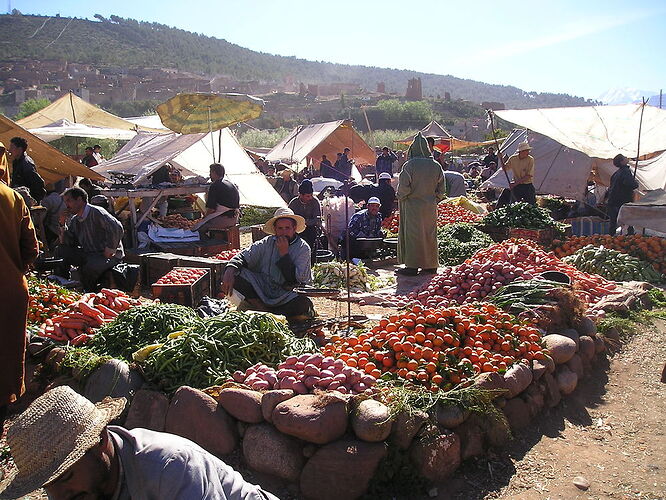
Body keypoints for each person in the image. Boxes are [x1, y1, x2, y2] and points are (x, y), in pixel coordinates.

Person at [0, 386, 278, 500]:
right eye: (48, 485)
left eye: (67, 476)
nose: (59, 496)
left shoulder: (171, 466)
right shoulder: (84, 489)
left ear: (98, 442)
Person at [221, 208, 314, 320]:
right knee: (235, 273)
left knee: (302, 303)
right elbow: (243, 256)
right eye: (280, 228)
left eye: (287, 228)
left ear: (294, 229)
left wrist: (284, 254)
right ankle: (263, 310)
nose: (284, 232)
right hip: (264, 289)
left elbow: (296, 280)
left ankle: (275, 313)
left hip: (288, 294)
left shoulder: (302, 248)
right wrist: (230, 271)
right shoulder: (267, 242)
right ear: (275, 229)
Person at [0, 176, 38, 436]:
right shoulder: (12, 197)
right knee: (5, 354)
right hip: (8, 291)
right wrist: (15, 270)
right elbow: (31, 249)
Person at [55, 187, 124, 291]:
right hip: (89, 253)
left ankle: (89, 292)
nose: (67, 205)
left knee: (90, 266)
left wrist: (111, 248)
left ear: (79, 199)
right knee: (60, 250)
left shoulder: (97, 212)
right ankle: (62, 284)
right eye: (65, 202)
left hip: (108, 256)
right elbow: (67, 242)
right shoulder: (75, 220)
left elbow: (117, 227)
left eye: (69, 201)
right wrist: (62, 223)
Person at [397, 132, 446, 276]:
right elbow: (442, 189)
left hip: (413, 206)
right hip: (430, 207)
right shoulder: (436, 166)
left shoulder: (410, 165)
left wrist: (400, 197)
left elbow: (404, 188)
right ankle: (430, 265)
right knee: (429, 234)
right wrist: (434, 199)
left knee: (413, 235)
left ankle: (412, 266)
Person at [195, 163, 240, 239]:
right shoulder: (230, 183)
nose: (210, 175)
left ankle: (207, 248)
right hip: (234, 218)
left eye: (210, 173)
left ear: (214, 172)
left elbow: (211, 209)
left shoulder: (215, 185)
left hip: (223, 219)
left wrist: (202, 219)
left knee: (198, 229)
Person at [606, 154, 639, 235]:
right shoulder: (625, 171)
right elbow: (631, 184)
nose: (627, 157)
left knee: (613, 223)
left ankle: (610, 239)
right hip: (622, 201)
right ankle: (630, 238)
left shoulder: (616, 173)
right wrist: (635, 183)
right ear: (622, 161)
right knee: (629, 222)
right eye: (624, 157)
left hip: (613, 201)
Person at [288, 179, 322, 256]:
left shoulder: (315, 202)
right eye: (307, 196)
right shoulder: (293, 203)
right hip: (296, 229)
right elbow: (289, 217)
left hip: (310, 228)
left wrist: (306, 222)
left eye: (311, 195)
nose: (310, 198)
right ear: (301, 195)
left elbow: (317, 219)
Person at [8, 137, 45, 203]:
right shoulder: (16, 161)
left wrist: (33, 201)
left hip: (26, 200)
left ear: (19, 149)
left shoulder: (26, 164)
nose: (9, 150)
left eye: (12, 147)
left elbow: (38, 184)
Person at [500, 141, 536, 206]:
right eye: (527, 151)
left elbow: (528, 175)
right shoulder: (513, 159)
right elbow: (505, 169)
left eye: (528, 150)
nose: (528, 152)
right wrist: (501, 159)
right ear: (521, 151)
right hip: (517, 186)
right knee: (514, 205)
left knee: (531, 205)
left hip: (527, 185)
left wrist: (515, 184)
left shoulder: (530, 159)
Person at [41, 182, 67, 251]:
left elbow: (41, 217)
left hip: (51, 229)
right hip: (60, 227)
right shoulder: (61, 198)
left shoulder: (47, 200)